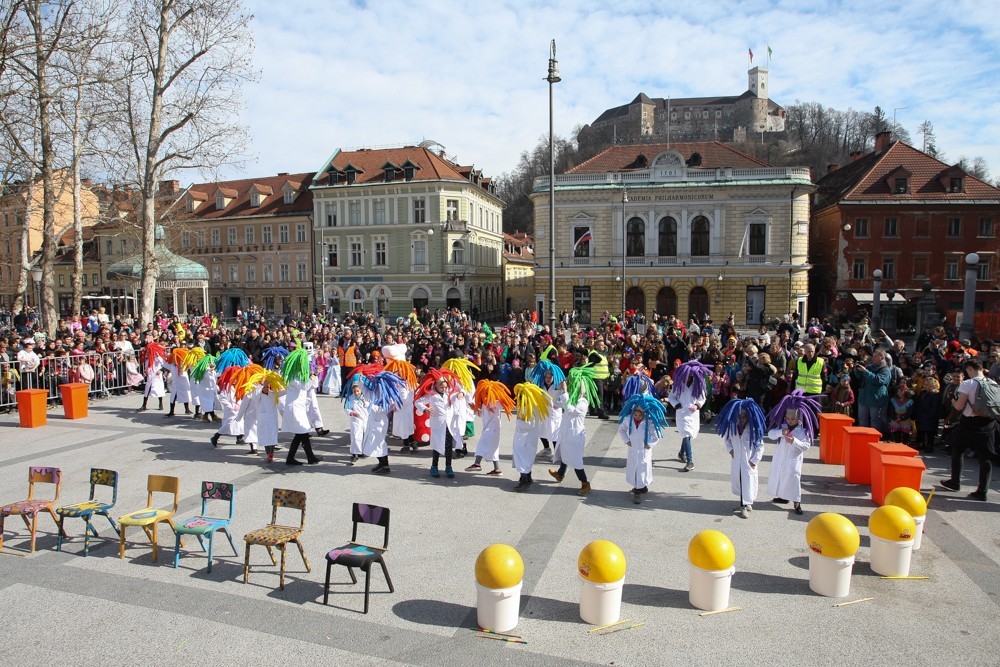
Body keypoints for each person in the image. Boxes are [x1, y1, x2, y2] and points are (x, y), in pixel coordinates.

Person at [940, 359, 995, 501]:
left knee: (957, 450)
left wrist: (953, 401)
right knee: (985, 458)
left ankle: (955, 482)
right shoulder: (993, 383)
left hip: (969, 422)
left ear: (970, 369)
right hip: (989, 423)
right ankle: (983, 491)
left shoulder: (968, 384)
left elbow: (959, 406)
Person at [766, 391, 821, 516]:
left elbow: (806, 446)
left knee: (793, 479)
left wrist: (794, 441)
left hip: (793, 460)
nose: (790, 421)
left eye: (793, 419)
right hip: (781, 458)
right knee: (781, 477)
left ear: (798, 418)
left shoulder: (802, 431)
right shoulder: (783, 426)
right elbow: (770, 435)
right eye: (788, 418)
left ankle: (797, 502)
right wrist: (781, 432)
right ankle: (783, 496)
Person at [549, 365, 600, 496]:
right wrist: (558, 390)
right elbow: (557, 403)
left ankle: (585, 483)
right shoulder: (570, 396)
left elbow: (571, 410)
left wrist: (565, 393)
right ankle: (560, 474)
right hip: (567, 432)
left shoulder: (583, 401)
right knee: (565, 454)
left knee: (576, 460)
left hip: (576, 434)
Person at [717, 398, 767, 518]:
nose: (741, 420)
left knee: (748, 483)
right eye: (739, 417)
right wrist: (731, 450)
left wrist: (755, 460)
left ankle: (745, 505)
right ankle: (744, 502)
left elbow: (760, 446)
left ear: (749, 417)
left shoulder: (753, 429)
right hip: (737, 461)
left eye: (744, 417)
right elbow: (727, 439)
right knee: (740, 482)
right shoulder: (733, 427)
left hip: (748, 462)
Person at [617, 394, 666, 504]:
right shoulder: (628, 420)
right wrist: (626, 440)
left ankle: (638, 491)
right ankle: (640, 487)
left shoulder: (649, 422)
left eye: (640, 415)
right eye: (636, 414)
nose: (637, 417)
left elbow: (656, 435)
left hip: (644, 450)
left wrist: (649, 444)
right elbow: (621, 430)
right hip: (633, 448)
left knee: (642, 468)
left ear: (644, 414)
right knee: (634, 467)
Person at [414, 370, 463, 479]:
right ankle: (434, 466)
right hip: (437, 424)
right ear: (436, 385)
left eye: (446, 387)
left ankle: (448, 466)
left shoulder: (448, 393)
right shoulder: (431, 394)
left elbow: (460, 390)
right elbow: (417, 402)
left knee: (448, 446)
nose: (444, 389)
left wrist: (461, 393)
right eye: (442, 387)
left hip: (448, 424)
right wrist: (425, 409)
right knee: (436, 445)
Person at [280, 347, 322, 466]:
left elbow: (312, 385)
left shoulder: (299, 374)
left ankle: (296, 457)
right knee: (302, 432)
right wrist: (314, 375)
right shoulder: (294, 376)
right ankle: (309, 457)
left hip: (299, 408)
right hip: (295, 408)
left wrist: (314, 375)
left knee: (301, 434)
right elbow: (305, 386)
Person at [669, 360, 711, 471]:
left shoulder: (698, 385)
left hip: (692, 414)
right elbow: (671, 397)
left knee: (688, 435)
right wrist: (676, 405)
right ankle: (690, 461)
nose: (687, 377)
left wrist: (697, 405)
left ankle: (681, 452)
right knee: (686, 434)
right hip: (681, 413)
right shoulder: (677, 385)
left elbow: (702, 398)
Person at [362, 371, 406, 474]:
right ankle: (381, 464)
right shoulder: (375, 393)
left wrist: (367, 404)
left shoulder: (388, 397)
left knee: (379, 444)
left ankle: (385, 465)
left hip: (380, 423)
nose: (376, 387)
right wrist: (361, 379)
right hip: (373, 421)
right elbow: (365, 391)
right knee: (373, 444)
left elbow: (381, 409)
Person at [467, 379, 513, 475]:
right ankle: (497, 469)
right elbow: (481, 415)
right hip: (489, 429)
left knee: (482, 444)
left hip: (493, 429)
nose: (486, 396)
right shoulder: (484, 404)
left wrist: (505, 402)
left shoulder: (495, 403)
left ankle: (477, 463)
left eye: (488, 394)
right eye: (484, 394)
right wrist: (474, 409)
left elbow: (505, 404)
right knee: (494, 449)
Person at [510, 382, 551, 491]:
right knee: (526, 459)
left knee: (523, 460)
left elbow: (528, 425)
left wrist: (518, 419)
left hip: (524, 439)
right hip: (527, 439)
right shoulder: (534, 405)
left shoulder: (529, 408)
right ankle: (527, 478)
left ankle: (524, 481)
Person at [854, 348, 891, 434]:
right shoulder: (870, 367)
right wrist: (857, 369)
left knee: (876, 421)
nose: (873, 358)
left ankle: (875, 438)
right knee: (862, 419)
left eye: (875, 357)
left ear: (882, 358)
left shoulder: (885, 370)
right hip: (864, 398)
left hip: (876, 399)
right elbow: (859, 377)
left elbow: (878, 380)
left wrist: (866, 371)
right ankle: (863, 438)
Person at [343, 380, 370, 465]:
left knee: (365, 436)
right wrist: (351, 412)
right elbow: (347, 408)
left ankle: (363, 451)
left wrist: (364, 401)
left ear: (361, 390)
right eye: (354, 391)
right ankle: (354, 454)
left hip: (365, 420)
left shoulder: (365, 397)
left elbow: (369, 406)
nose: (356, 393)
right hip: (356, 420)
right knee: (355, 436)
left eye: (357, 391)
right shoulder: (350, 399)